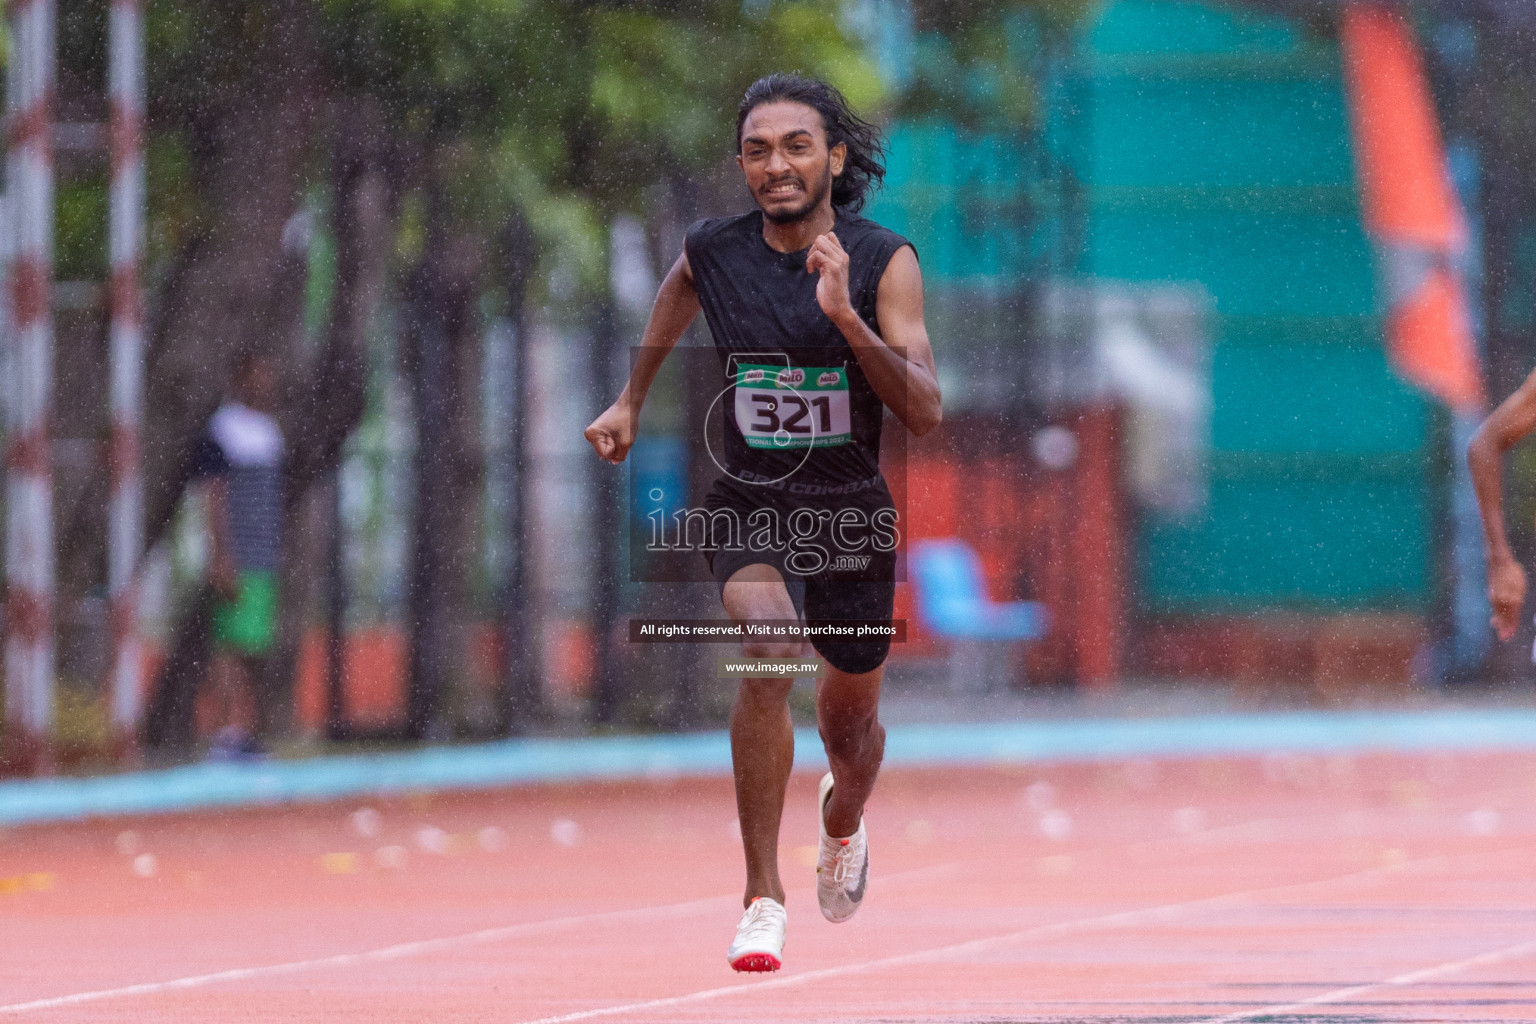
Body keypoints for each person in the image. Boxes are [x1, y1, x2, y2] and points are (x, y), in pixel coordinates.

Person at [584, 73, 941, 971]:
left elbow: (927, 408)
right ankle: (761, 897)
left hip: (849, 514)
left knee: (849, 734)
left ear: (835, 158)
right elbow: (677, 290)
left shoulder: (884, 258)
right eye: (756, 150)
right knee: (769, 652)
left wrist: (846, 320)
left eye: (795, 147)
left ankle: (844, 819)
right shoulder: (716, 248)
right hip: (747, 499)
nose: (775, 166)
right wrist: (630, 399)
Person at [191, 350, 286, 759]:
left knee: (253, 646)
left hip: (263, 555)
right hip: (236, 555)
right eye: (258, 375)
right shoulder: (222, 432)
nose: (266, 384)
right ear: (240, 377)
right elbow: (213, 495)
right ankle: (225, 732)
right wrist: (221, 555)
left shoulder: (270, 432)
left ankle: (245, 731)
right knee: (227, 645)